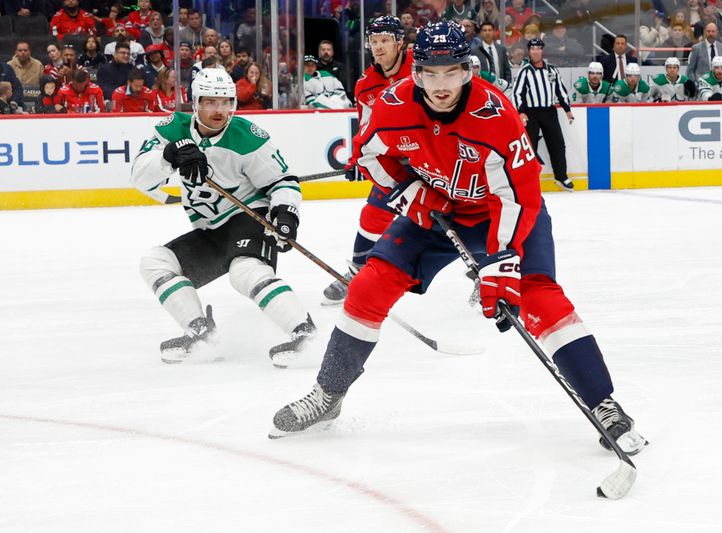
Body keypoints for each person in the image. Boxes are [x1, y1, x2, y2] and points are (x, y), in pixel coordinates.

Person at [270, 22, 648, 459]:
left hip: (503, 215)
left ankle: (602, 402)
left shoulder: (496, 114)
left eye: (451, 72)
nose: (441, 84)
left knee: (540, 298)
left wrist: (502, 261)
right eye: (431, 73)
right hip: (436, 214)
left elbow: (519, 196)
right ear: (416, 72)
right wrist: (412, 193)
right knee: (368, 286)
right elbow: (369, 153)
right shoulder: (393, 106)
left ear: (468, 70)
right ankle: (327, 394)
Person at [131, 68, 317, 366]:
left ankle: (303, 333)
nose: (219, 111)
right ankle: (202, 332)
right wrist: (169, 155)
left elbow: (283, 182)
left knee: (244, 271)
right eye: (210, 102)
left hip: (249, 217)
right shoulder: (171, 128)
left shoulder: (248, 138)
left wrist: (286, 215)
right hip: (210, 230)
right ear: (195, 103)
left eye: (225, 102)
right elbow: (139, 177)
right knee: (155, 262)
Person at [321, 16, 413, 306]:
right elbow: (366, 130)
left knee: (458, 218)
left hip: (436, 158)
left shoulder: (423, 69)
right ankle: (356, 274)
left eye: (385, 40)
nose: (378, 47)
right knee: (373, 215)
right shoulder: (365, 85)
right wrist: (359, 159)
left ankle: (485, 274)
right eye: (374, 41)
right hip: (397, 164)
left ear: (400, 42)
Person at [512, 38, 575, 191]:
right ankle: (529, 180)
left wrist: (567, 110)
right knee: (529, 148)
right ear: (529, 51)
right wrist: (521, 112)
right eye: (533, 49)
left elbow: (561, 90)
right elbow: (517, 93)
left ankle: (561, 176)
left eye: (538, 49)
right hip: (531, 113)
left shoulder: (552, 70)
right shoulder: (525, 71)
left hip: (549, 111)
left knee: (558, 144)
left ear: (542, 51)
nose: (535, 52)